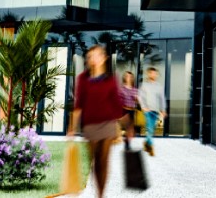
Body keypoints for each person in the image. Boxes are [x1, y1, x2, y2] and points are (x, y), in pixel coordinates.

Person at [68, 45, 126, 198]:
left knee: (104, 160)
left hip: (108, 125)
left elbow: (116, 105)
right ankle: (98, 191)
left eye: (96, 55)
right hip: (90, 126)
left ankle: (100, 194)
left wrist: (123, 126)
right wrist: (71, 128)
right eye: (90, 56)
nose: (93, 59)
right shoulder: (83, 79)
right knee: (95, 161)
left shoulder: (111, 79)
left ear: (104, 58)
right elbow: (78, 104)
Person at [137, 66, 166, 156]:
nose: (154, 75)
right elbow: (140, 97)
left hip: (156, 111)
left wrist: (163, 110)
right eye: (152, 73)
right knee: (149, 128)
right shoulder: (144, 85)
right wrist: (143, 107)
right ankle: (150, 148)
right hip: (148, 111)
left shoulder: (159, 86)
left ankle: (146, 143)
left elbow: (162, 99)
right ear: (148, 74)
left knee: (151, 130)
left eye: (155, 74)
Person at [119, 70, 139, 144]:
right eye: (127, 76)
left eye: (130, 76)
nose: (129, 78)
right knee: (128, 128)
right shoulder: (121, 89)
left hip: (132, 111)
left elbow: (138, 102)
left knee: (131, 131)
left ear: (132, 78)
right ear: (124, 77)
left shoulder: (135, 90)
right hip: (124, 110)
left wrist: (137, 99)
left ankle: (127, 142)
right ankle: (126, 142)